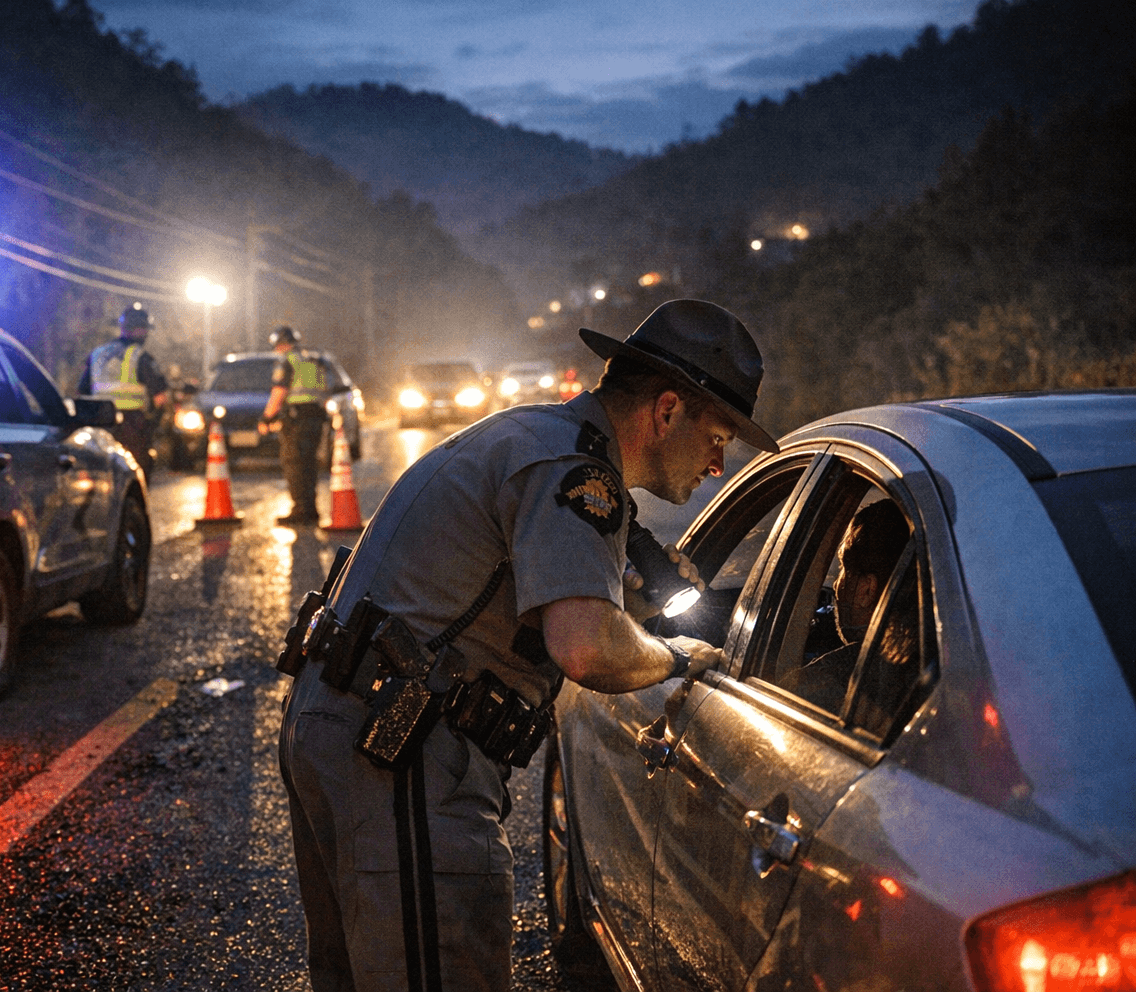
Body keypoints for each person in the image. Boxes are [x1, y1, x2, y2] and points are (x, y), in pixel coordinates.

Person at [278, 299, 782, 992]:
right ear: (668, 412)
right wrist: (677, 659)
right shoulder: (576, 473)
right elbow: (585, 647)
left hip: (344, 718)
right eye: (719, 437)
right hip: (401, 750)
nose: (719, 466)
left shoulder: (539, 437)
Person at [779, 498, 911, 714]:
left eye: (842, 568)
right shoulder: (941, 670)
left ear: (866, 590)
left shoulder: (825, 682)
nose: (835, 584)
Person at [78, 304, 168, 475]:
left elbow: (82, 391)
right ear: (140, 330)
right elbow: (160, 398)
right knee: (135, 474)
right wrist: (152, 424)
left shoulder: (97, 354)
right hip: (133, 426)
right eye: (145, 329)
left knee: (103, 473)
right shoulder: (141, 357)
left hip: (100, 424)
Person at [259, 324, 330, 525]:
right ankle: (310, 508)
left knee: (294, 463)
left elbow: (279, 392)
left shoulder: (286, 361)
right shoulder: (311, 360)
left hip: (297, 420)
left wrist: (266, 418)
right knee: (308, 464)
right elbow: (323, 389)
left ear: (280, 344)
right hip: (315, 417)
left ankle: (300, 509)